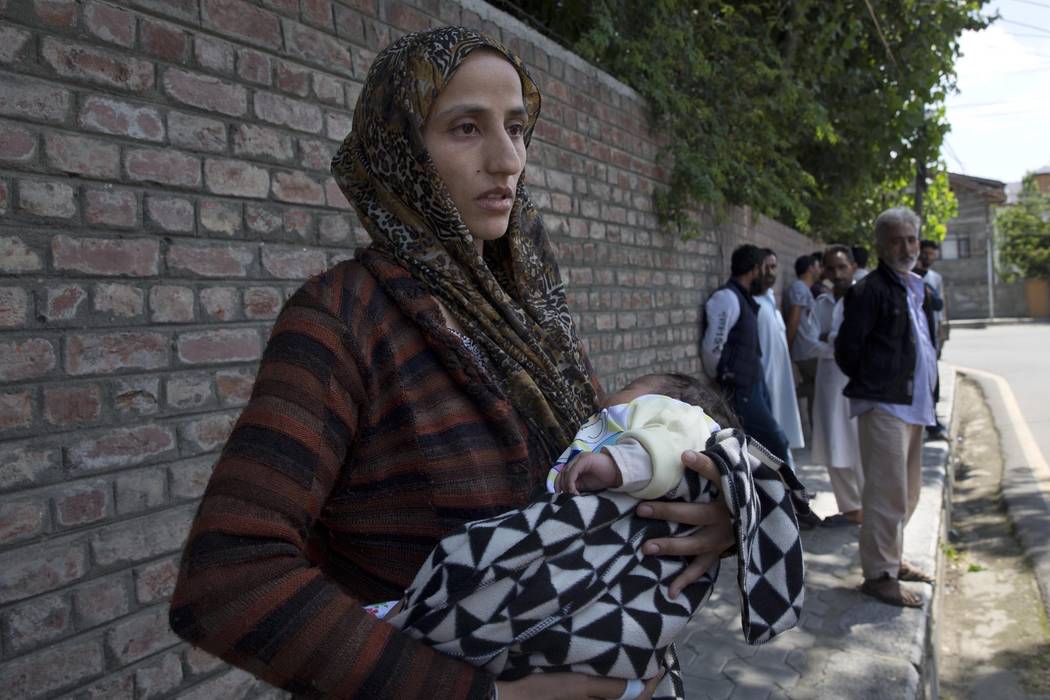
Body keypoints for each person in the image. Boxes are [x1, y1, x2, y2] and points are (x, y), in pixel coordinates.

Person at [169, 27, 733, 700]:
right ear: (401, 148)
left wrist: (711, 517)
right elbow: (228, 579)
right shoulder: (341, 321)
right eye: (466, 128)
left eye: (518, 128)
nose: (507, 160)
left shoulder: (531, 309)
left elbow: (598, 467)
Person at [382, 372, 807, 688]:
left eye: (633, 383)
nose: (606, 396)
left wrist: (615, 466)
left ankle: (427, 624)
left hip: (611, 554)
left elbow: (664, 447)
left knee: (473, 557)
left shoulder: (675, 416)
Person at [835, 207, 937, 608]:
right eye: (897, 240)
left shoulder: (916, 287)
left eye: (911, 239)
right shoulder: (869, 290)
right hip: (884, 405)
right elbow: (848, 350)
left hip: (914, 405)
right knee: (887, 492)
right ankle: (879, 575)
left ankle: (891, 559)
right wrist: (875, 382)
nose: (906, 247)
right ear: (880, 245)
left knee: (908, 492)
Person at [701, 246, 820, 528]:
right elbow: (712, 348)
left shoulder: (744, 298)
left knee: (763, 450)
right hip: (741, 389)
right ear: (753, 269)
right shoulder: (727, 298)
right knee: (775, 442)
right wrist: (724, 375)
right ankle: (796, 510)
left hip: (753, 384)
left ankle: (780, 509)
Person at [810, 246, 864, 526]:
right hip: (829, 382)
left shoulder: (864, 298)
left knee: (858, 444)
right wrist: (834, 342)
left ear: (853, 267)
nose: (837, 274)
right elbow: (811, 341)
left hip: (856, 380)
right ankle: (851, 507)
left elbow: (856, 344)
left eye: (842, 267)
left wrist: (830, 341)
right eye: (831, 268)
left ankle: (868, 505)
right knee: (834, 442)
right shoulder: (821, 303)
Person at [752, 249, 804, 464]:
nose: (769, 272)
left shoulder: (770, 301)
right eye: (765, 266)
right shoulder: (752, 304)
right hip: (764, 386)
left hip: (781, 383)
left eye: (773, 266)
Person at [784, 254, 822, 428]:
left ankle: (816, 429)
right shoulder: (799, 287)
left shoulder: (805, 288)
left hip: (809, 348)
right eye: (817, 266)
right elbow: (794, 319)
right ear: (810, 268)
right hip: (806, 350)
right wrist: (788, 348)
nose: (820, 269)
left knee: (813, 387)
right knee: (819, 385)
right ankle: (783, 396)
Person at [916, 240, 949, 441]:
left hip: (931, 336)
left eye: (931, 254)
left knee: (933, 379)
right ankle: (929, 422)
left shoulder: (933, 279)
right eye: (925, 254)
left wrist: (943, 330)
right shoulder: (910, 279)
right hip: (918, 340)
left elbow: (940, 304)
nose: (928, 258)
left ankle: (931, 419)